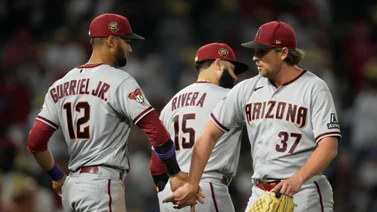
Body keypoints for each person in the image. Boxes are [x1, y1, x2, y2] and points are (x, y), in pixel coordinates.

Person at [26, 13, 201, 212]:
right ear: (111, 40)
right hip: (102, 186)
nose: (130, 48)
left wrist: (57, 176)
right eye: (126, 41)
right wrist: (175, 171)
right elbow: (156, 131)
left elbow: (35, 142)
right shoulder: (119, 80)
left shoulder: (60, 85)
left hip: (71, 189)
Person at [163, 21, 341, 212]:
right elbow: (208, 135)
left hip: (305, 192)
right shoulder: (247, 88)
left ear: (283, 53)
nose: (255, 57)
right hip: (260, 192)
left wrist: (298, 179)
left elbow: (329, 146)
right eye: (255, 51)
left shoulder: (314, 87)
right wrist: (192, 183)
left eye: (262, 51)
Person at [150, 43, 249, 211]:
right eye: (232, 69)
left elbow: (156, 162)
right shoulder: (229, 98)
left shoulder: (171, 103)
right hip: (204, 189)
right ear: (217, 64)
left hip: (171, 192)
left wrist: (162, 192)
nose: (235, 77)